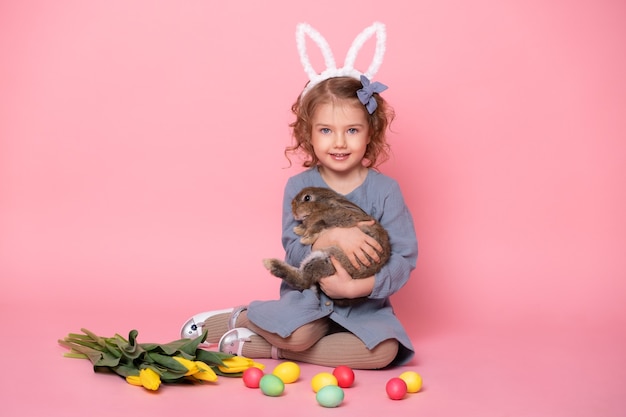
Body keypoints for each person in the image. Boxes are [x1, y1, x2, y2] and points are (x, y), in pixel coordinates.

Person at [180, 22, 418, 369]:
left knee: (386, 352)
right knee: (298, 333)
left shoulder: (386, 190)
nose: (339, 142)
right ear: (309, 134)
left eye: (352, 130)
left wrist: (358, 288)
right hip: (307, 298)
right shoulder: (299, 188)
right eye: (326, 130)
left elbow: (404, 257)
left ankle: (258, 348)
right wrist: (329, 236)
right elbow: (293, 250)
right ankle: (240, 318)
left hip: (364, 307)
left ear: (371, 132)